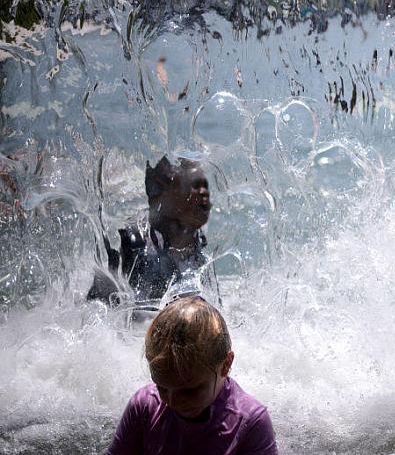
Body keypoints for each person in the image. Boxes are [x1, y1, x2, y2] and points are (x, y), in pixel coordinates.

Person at [107, 296, 278, 454]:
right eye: (162, 388)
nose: (172, 401)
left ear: (226, 365)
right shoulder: (144, 405)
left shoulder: (250, 422)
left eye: (189, 391)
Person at [87, 156, 218, 310]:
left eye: (205, 186)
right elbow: (101, 308)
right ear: (162, 196)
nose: (204, 193)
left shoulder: (197, 246)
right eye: (195, 185)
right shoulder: (134, 244)